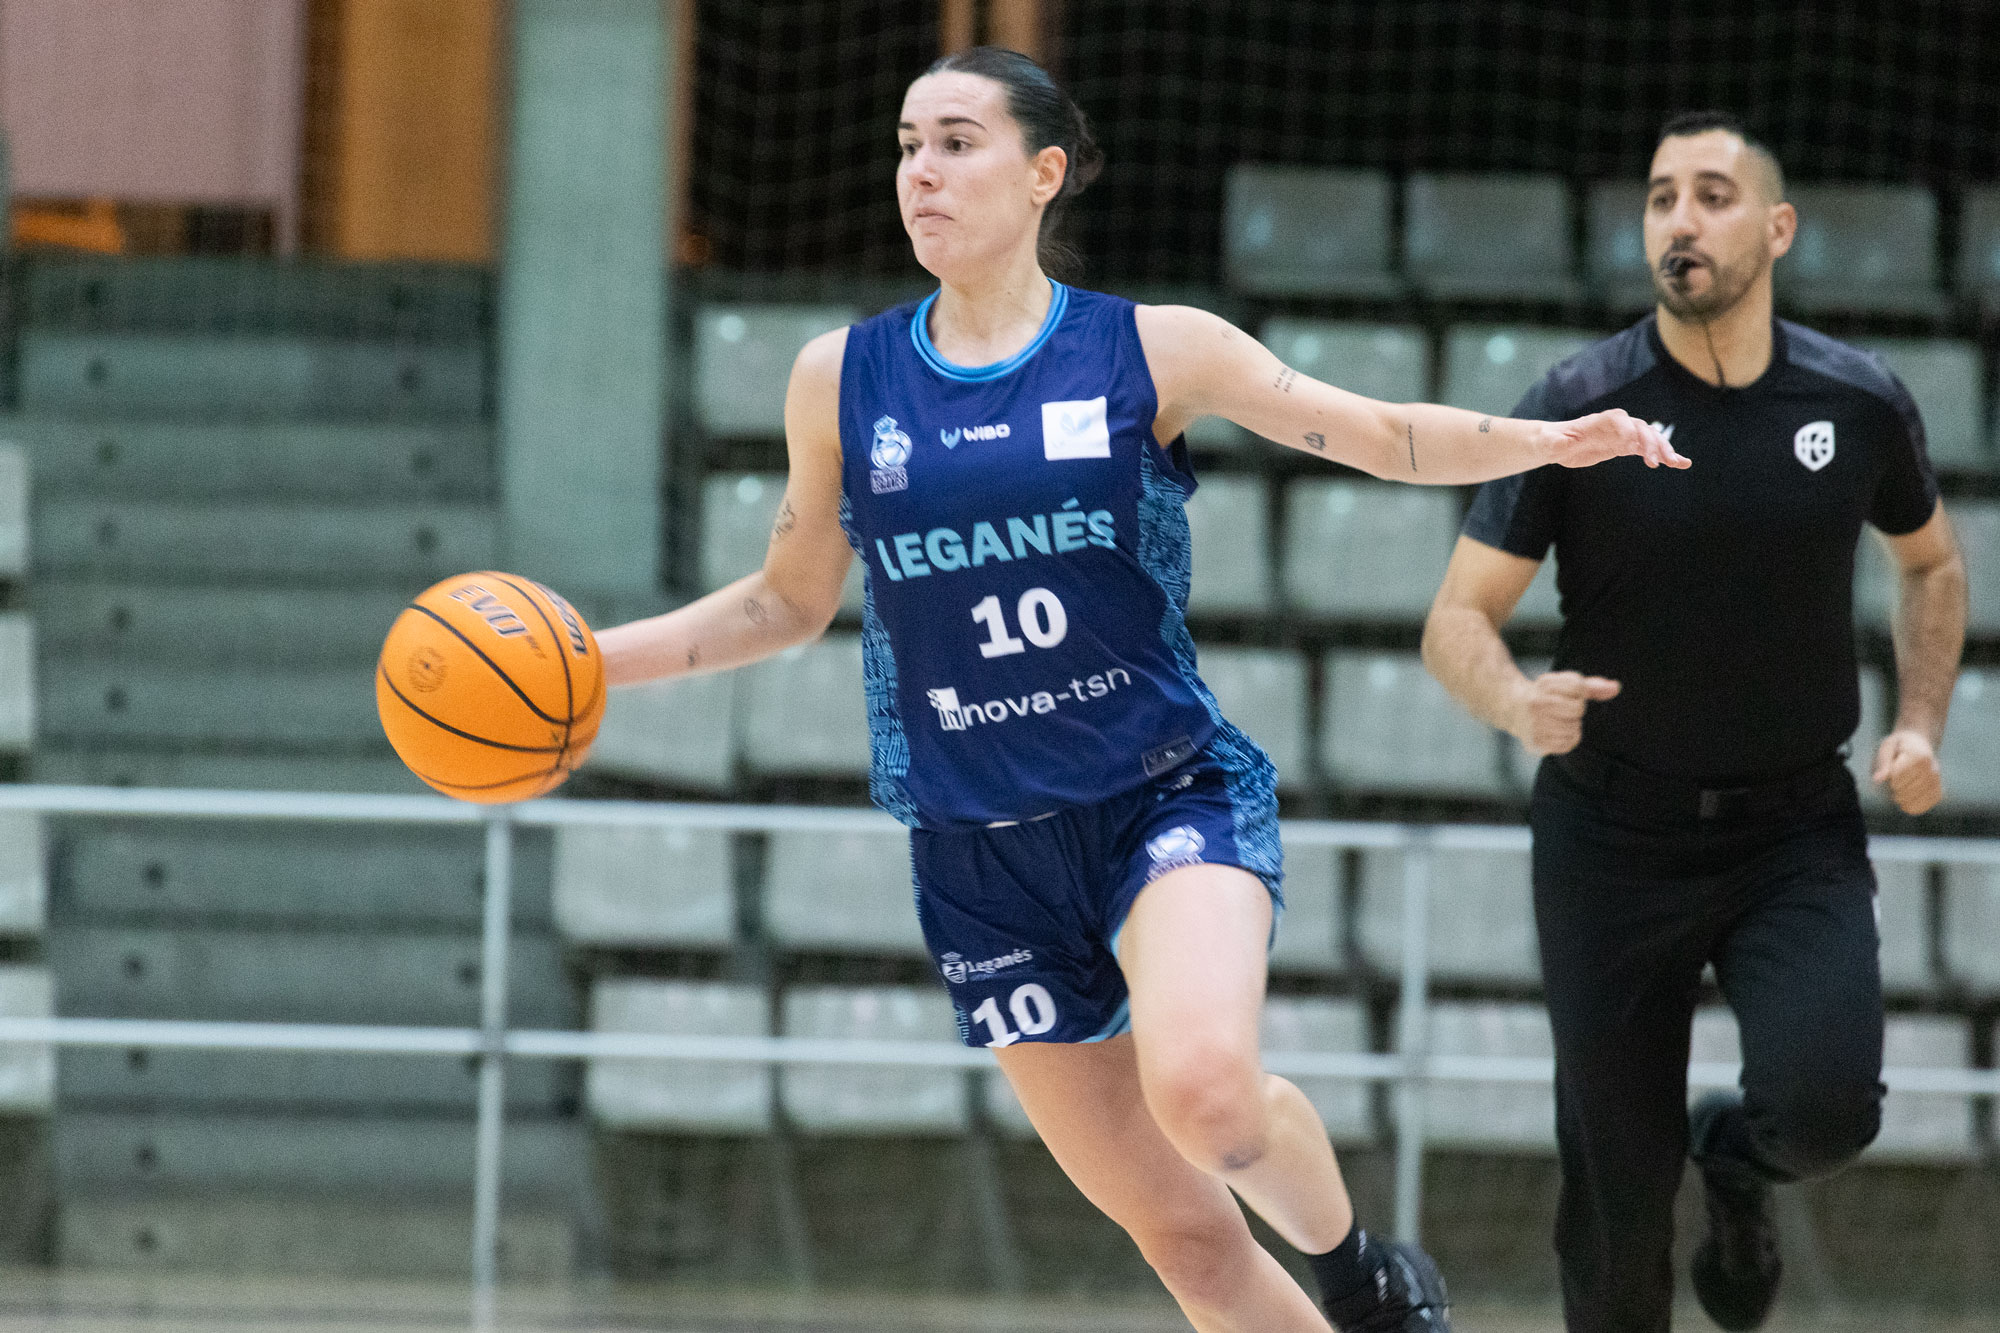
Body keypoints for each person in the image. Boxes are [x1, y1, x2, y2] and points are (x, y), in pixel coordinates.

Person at [599, 47, 1682, 1333]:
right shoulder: (840, 379)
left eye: (955, 142)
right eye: (905, 145)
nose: (920, 171)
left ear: (1042, 172)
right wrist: (591, 667)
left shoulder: (1146, 347)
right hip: (979, 849)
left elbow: (1376, 432)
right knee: (1183, 1238)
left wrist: (1547, 442)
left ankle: (1362, 1279)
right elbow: (784, 600)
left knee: (1207, 1100)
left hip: (1162, 795)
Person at [1421, 111, 1966, 1333]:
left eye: (1712, 195)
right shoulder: (1577, 406)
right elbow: (1454, 618)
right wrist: (1513, 699)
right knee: (1615, 1201)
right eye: (1661, 195)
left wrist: (1920, 722)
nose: (1679, 218)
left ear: (1775, 229)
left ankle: (1733, 1164)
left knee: (1822, 1114)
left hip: (1793, 831)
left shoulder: (1856, 401)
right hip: (1609, 840)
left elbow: (1929, 564)